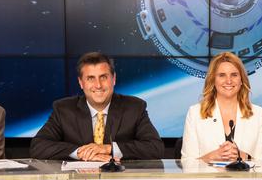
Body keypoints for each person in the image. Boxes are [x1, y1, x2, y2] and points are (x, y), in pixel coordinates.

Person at [30, 52, 163, 161]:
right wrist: (81, 152)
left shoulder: (134, 107)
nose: (98, 85)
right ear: (81, 83)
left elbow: (155, 148)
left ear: (114, 79)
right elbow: (38, 146)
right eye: (90, 78)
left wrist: (109, 149)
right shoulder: (64, 109)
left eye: (103, 77)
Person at [181, 52, 262, 163]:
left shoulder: (258, 114)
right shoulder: (195, 113)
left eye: (234, 75)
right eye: (222, 75)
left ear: (241, 80)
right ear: (213, 80)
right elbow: (186, 163)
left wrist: (244, 157)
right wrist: (211, 157)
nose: (229, 81)